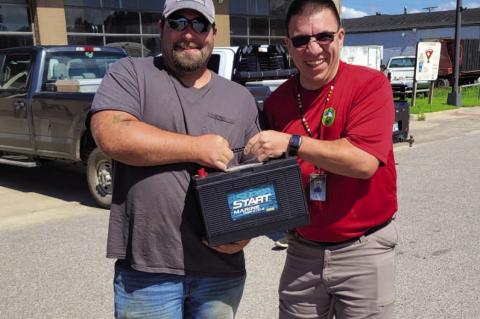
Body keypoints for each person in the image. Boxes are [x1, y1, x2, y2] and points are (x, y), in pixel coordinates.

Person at [89, 0, 260, 318]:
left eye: (199, 25)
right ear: (161, 28)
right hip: (147, 272)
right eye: (179, 22)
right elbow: (111, 135)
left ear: (213, 33)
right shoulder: (131, 74)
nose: (189, 34)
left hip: (221, 271)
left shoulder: (240, 98)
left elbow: (251, 177)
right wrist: (197, 148)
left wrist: (246, 232)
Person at [244, 0, 398, 318]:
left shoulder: (370, 86)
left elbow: (364, 161)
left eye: (323, 37)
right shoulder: (278, 101)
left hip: (363, 249)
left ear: (340, 36)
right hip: (303, 250)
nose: (313, 49)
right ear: (288, 45)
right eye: (301, 40)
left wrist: (293, 142)